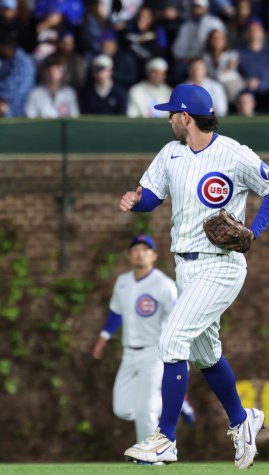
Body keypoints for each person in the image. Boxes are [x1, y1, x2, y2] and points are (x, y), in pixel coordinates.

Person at [120, 83, 267, 467]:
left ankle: (165, 439)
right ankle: (243, 419)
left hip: (221, 265)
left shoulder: (233, 153)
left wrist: (254, 229)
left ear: (186, 116)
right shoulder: (171, 154)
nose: (168, 118)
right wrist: (137, 201)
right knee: (207, 355)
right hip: (185, 265)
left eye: (172, 112)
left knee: (172, 339)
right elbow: (152, 194)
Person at [92, 234, 195, 444]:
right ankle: (174, 403)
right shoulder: (122, 282)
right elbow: (116, 313)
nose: (140, 253)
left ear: (154, 256)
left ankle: (149, 456)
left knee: (145, 408)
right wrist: (103, 338)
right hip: (129, 351)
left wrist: (179, 348)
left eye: (145, 250)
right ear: (129, 256)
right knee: (122, 408)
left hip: (155, 351)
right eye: (135, 250)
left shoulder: (165, 285)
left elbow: (179, 317)